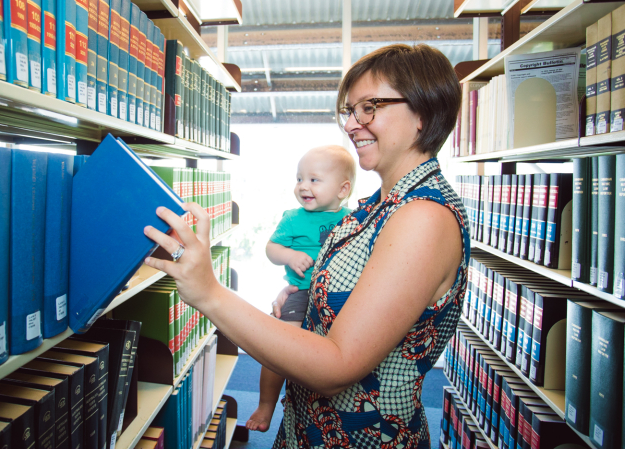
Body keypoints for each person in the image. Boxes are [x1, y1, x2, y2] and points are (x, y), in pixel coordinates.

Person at [144, 43, 469, 448]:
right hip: (308, 427)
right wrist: (314, 296)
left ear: (423, 112)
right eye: (349, 111)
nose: (352, 124)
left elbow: (337, 366)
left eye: (370, 107)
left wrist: (209, 292)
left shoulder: (423, 216)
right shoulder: (377, 205)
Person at [246, 145, 355, 433]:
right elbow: (271, 249)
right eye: (299, 179)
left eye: (314, 180)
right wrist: (290, 257)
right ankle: (267, 404)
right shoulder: (293, 218)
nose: (303, 186)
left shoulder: (352, 218)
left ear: (342, 189)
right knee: (280, 346)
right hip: (301, 293)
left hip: (341, 295)